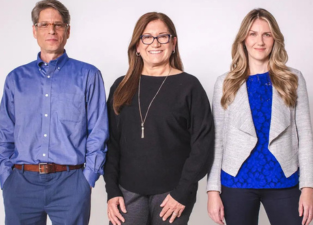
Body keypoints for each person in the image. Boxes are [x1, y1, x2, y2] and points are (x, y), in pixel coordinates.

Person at [0, 0, 108, 224]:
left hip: (71, 183)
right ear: (34, 30)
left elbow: (98, 130)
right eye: (44, 24)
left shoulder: (88, 75)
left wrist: (87, 178)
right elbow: (5, 132)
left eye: (58, 25)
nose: (51, 30)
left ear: (67, 31)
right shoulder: (15, 79)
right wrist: (6, 177)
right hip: (21, 183)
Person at [104, 12, 214, 225]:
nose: (155, 43)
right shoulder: (120, 87)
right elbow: (112, 143)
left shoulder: (190, 87)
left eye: (162, 36)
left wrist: (183, 191)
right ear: (137, 45)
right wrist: (112, 191)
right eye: (147, 37)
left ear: (173, 43)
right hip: (127, 192)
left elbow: (203, 145)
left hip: (172, 193)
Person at [206, 8, 313, 225]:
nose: (260, 41)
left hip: (284, 180)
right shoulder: (225, 83)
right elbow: (216, 141)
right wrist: (212, 191)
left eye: (267, 34)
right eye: (253, 34)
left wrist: (308, 187)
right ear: (243, 39)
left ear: (275, 39)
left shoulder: (293, 79)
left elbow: (305, 137)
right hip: (237, 183)